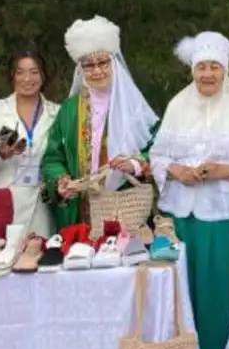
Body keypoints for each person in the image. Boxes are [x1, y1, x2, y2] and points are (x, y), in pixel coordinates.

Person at [150, 32, 229, 349]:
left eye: (215, 67)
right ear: (193, 71)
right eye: (202, 67)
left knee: (221, 293)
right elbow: (156, 157)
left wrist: (224, 170)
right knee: (186, 293)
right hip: (184, 220)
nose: (208, 74)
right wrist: (176, 171)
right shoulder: (176, 105)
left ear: (225, 71)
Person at [42, 16, 159, 230]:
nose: (97, 71)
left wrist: (134, 163)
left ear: (113, 63)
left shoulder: (134, 106)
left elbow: (158, 147)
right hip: (81, 210)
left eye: (103, 63)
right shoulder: (69, 110)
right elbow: (52, 157)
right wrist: (60, 180)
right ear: (81, 70)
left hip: (125, 205)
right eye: (89, 65)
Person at [0, 48, 60, 237]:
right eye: (20, 72)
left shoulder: (57, 114)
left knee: (36, 258)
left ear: (44, 75)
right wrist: (0, 154)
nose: (27, 79)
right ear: (11, 76)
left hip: (40, 208)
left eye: (34, 72)